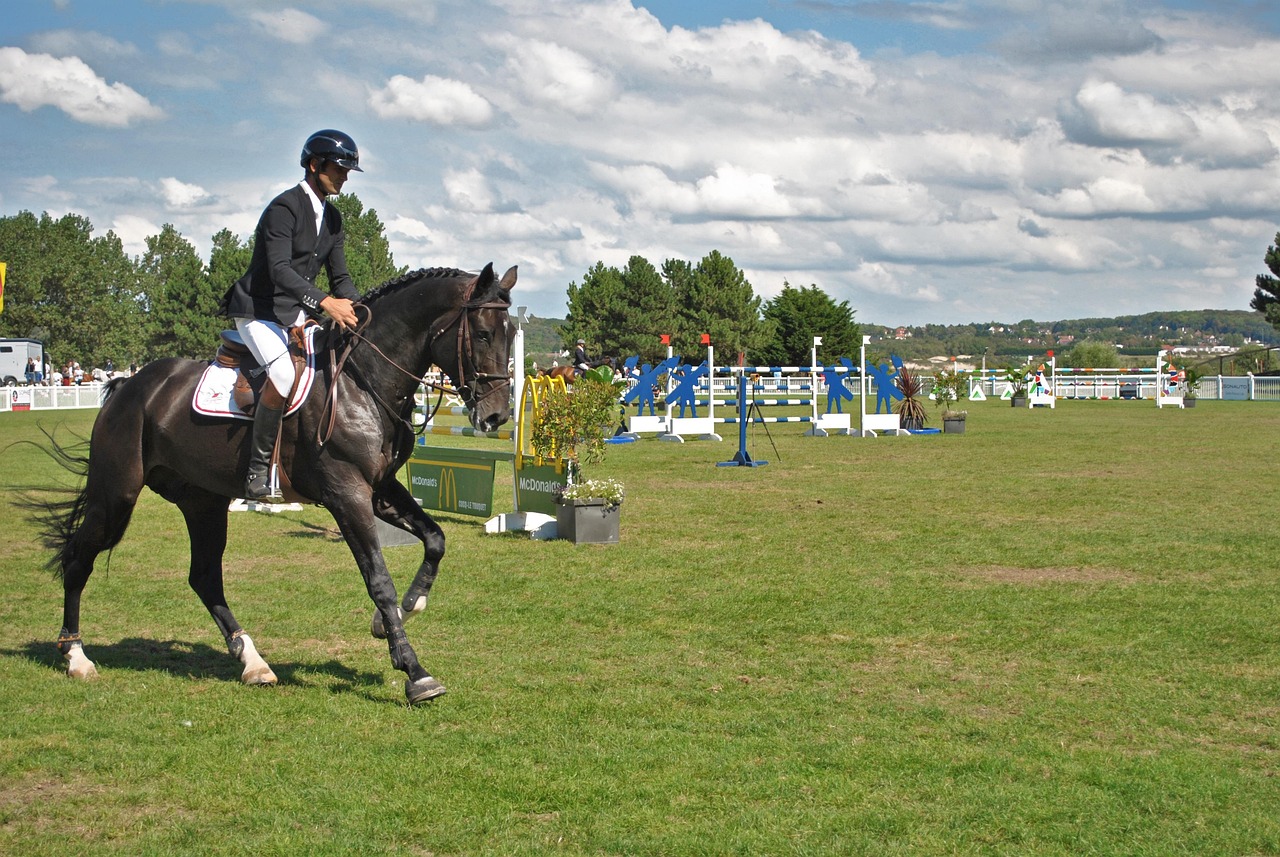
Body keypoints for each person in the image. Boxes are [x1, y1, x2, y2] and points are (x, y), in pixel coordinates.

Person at [219, 129, 363, 500]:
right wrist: (325, 303)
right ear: (314, 165)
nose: (345, 177)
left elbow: (341, 278)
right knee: (283, 372)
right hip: (259, 310)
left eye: (348, 170)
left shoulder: (333, 219)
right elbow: (279, 269)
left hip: (295, 314)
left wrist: (363, 310)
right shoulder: (284, 208)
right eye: (339, 169)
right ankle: (256, 471)